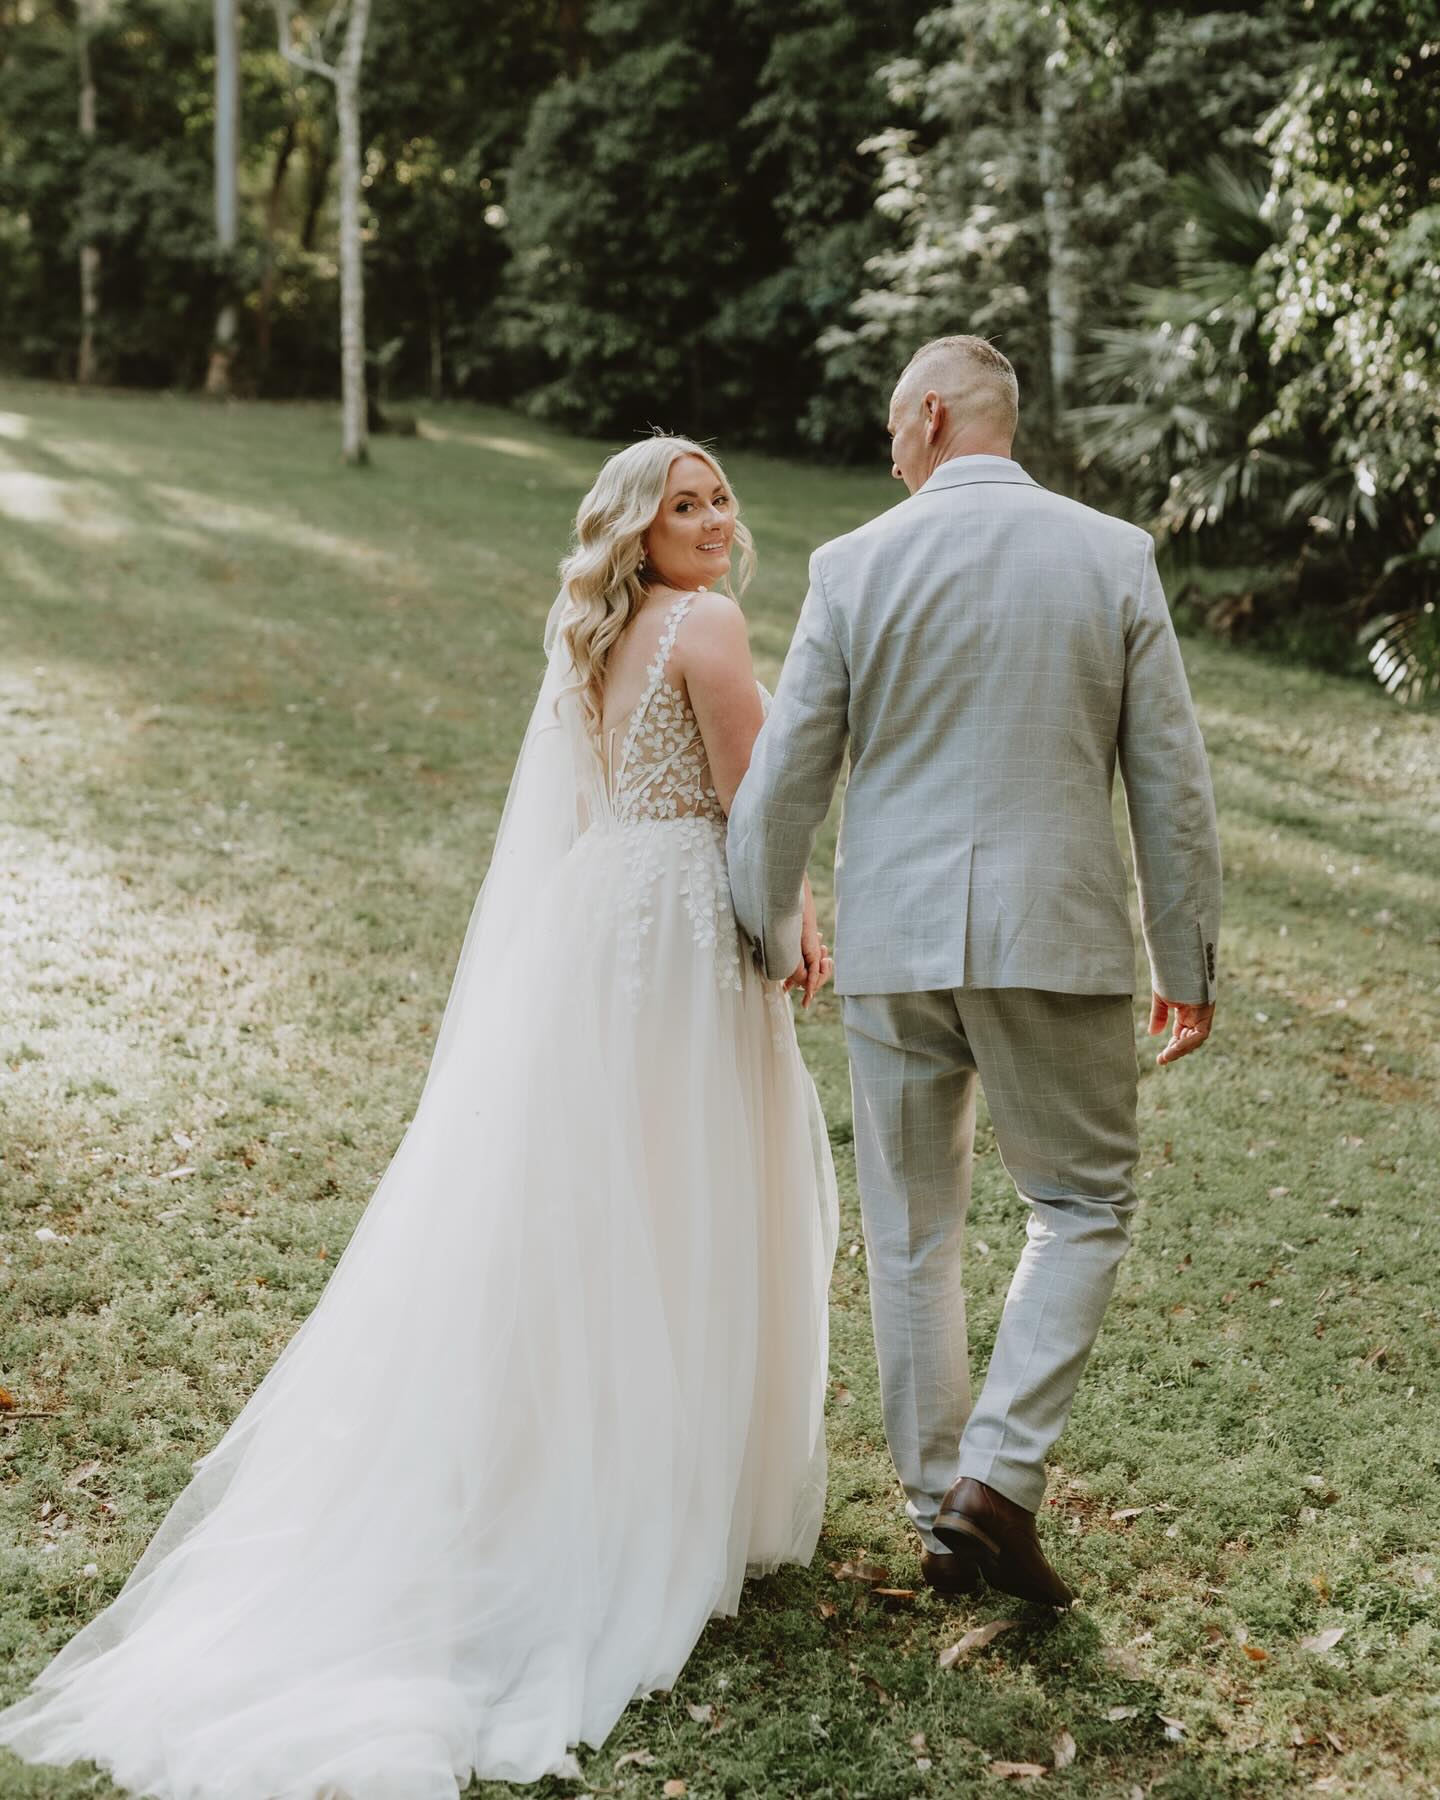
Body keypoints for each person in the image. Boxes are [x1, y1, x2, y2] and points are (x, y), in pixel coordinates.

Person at [0, 436, 839, 1798]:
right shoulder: (711, 626)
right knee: (686, 1192)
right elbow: (755, 808)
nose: (708, 518)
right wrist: (800, 924)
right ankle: (661, 1499)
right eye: (681, 504)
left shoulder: (590, 630)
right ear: (635, 530)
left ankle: (576, 1468)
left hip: (594, 925)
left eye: (717, 498)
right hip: (682, 926)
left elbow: (588, 799)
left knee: (600, 1198)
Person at [728, 334, 1221, 1609]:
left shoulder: (853, 565)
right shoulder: (1111, 555)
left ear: (937, 416)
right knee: (1083, 1205)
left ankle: (940, 1508)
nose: (890, 448)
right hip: (1053, 938)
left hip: (893, 946)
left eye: (896, 423)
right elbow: (1170, 781)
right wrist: (1185, 956)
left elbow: (784, 780)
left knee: (911, 1232)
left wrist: (764, 931)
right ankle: (992, 1485)